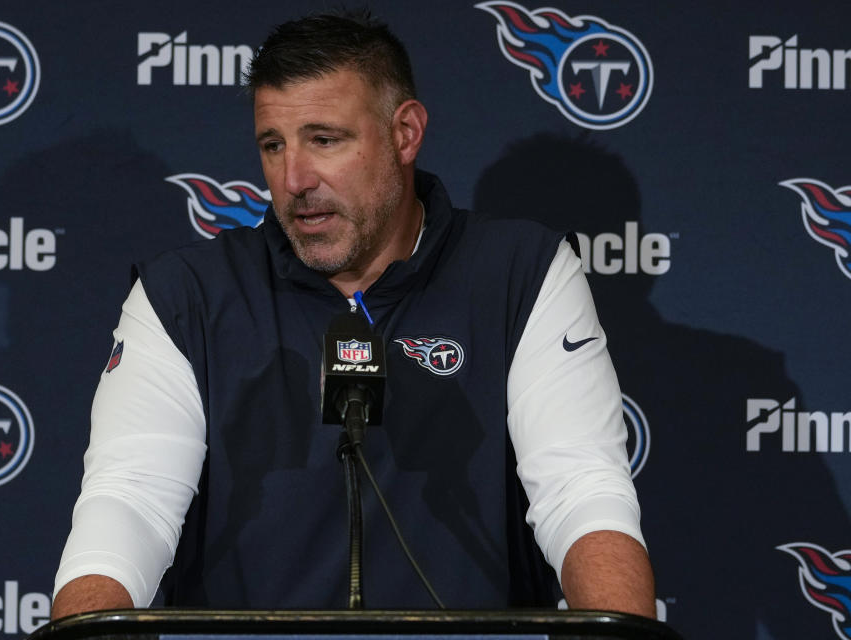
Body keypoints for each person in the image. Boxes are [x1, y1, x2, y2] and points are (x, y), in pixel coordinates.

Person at [51, 11, 655, 620]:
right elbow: (130, 501)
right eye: (272, 145)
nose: (294, 178)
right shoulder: (184, 295)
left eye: (324, 139)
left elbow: (581, 490)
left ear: (405, 133)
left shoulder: (521, 274)